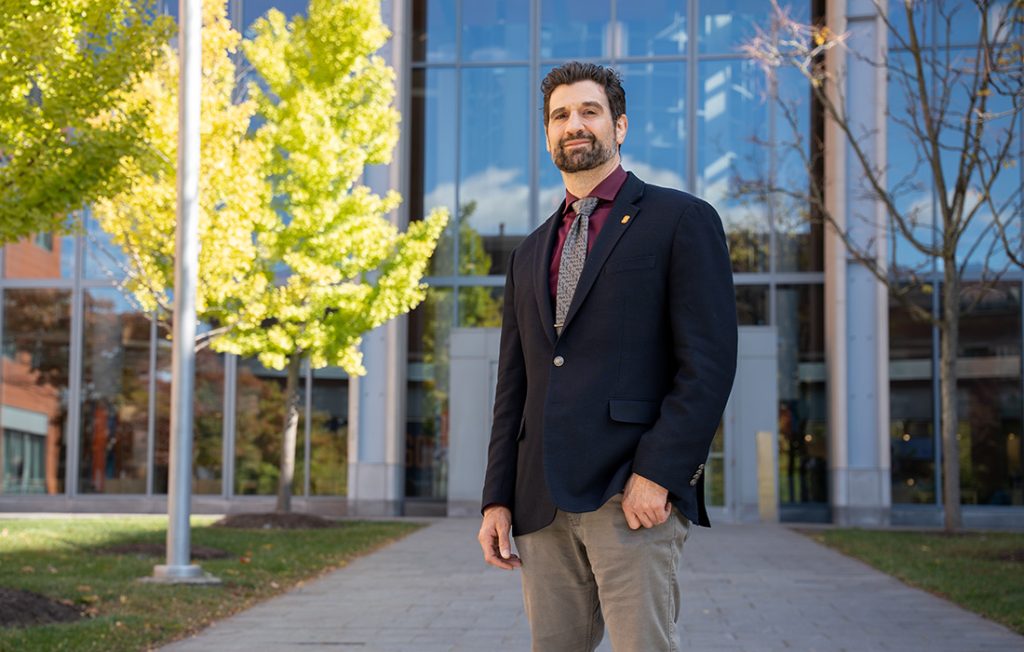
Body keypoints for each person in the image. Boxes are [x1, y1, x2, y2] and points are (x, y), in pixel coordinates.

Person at [477, 61, 738, 651]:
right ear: (547, 134)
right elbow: (512, 389)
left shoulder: (681, 220)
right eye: (560, 115)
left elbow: (709, 364)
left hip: (631, 496)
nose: (574, 124)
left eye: (589, 111)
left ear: (620, 126)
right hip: (540, 504)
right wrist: (497, 497)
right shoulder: (528, 253)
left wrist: (660, 476)